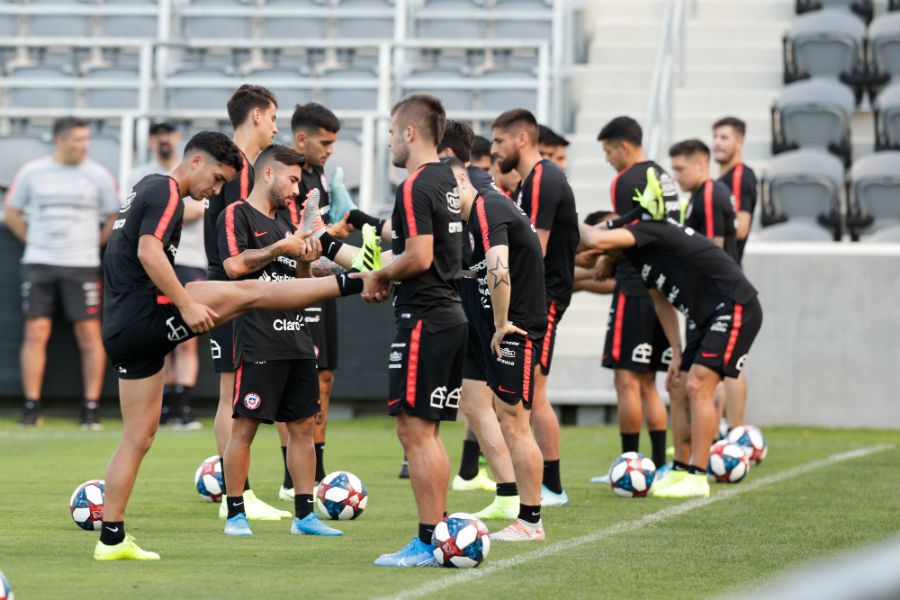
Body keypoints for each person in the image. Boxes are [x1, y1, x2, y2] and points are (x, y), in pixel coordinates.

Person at [94, 131, 367, 560]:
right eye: (217, 180)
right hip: (142, 318)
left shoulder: (145, 190)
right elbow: (149, 252)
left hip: (122, 329)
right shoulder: (165, 189)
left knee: (138, 437)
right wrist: (184, 303)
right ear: (197, 162)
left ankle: (111, 539)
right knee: (246, 293)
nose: (214, 192)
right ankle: (359, 280)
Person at [578, 178, 763, 499]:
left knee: (698, 386)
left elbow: (594, 235)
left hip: (735, 305)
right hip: (708, 316)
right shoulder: (639, 258)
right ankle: (679, 470)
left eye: (598, 251)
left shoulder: (647, 230)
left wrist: (566, 214)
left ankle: (697, 475)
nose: (596, 256)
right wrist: (677, 352)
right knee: (679, 384)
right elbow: (662, 302)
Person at [354, 94, 468, 567]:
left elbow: (419, 257)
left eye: (389, 133)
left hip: (426, 317)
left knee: (415, 432)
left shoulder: (417, 184)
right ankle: (439, 534)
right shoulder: (448, 179)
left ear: (409, 133)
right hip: (449, 314)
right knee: (428, 433)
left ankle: (427, 541)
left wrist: (381, 275)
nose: (387, 144)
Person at [218, 144, 342, 538]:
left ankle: (304, 516)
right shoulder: (236, 214)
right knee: (246, 428)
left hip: (298, 341)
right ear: (268, 174)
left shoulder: (287, 225)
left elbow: (300, 287)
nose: (295, 189)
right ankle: (236, 513)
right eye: (291, 179)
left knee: (303, 428)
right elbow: (234, 267)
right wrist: (278, 249)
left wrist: (304, 257)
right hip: (257, 342)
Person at [444, 157, 548, 542]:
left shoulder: (487, 206)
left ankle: (531, 522)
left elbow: (498, 265)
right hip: (492, 329)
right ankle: (514, 504)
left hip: (513, 328)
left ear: (460, 180)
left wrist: (503, 322)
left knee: (514, 421)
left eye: (444, 190)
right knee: (491, 412)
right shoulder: (468, 217)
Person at [204, 85, 290, 521]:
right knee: (230, 394)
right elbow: (237, 242)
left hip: (243, 292)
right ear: (256, 115)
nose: (277, 125)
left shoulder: (245, 166)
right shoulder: (238, 167)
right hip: (230, 292)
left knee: (235, 392)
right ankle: (239, 496)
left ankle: (238, 492)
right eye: (273, 116)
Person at [4, 117, 119, 429]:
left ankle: (91, 407)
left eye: (85, 140)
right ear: (59, 140)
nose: (82, 146)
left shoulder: (97, 175)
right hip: (39, 262)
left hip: (81, 265)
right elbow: (12, 212)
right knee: (35, 333)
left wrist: (94, 243)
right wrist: (34, 240)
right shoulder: (32, 172)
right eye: (76, 140)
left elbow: (114, 214)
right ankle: (31, 407)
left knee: (88, 334)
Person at [491, 109, 578, 506]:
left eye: (498, 142)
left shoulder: (543, 178)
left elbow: (536, 250)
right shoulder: (530, 182)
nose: (495, 151)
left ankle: (553, 486)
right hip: (541, 296)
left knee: (535, 393)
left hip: (546, 298)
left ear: (521, 139)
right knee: (529, 394)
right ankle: (546, 484)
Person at [591, 116, 674, 482]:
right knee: (648, 382)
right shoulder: (661, 175)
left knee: (626, 381)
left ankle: (629, 465)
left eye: (609, 151)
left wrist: (606, 257)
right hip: (659, 288)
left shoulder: (627, 180)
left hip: (633, 287)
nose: (608, 159)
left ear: (624, 145)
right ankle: (659, 462)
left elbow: (629, 234)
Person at [279, 102, 345, 499]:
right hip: (294, 284)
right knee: (297, 375)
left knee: (324, 375)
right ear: (301, 139)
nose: (331, 149)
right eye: (325, 141)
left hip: (321, 280)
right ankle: (293, 479)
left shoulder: (318, 174)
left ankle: (316, 470)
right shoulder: (284, 175)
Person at [438, 120, 500, 495]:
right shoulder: (487, 184)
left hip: (465, 290)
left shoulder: (454, 184)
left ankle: (519, 494)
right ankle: (474, 473)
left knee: (485, 401)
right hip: (482, 290)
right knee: (477, 398)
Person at [130, 121, 204, 430]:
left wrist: (162, 214)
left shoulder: (192, 173)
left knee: (187, 337)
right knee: (161, 336)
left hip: (190, 259)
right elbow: (135, 218)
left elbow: (200, 208)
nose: (163, 139)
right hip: (159, 261)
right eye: (157, 134)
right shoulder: (141, 175)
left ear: (177, 138)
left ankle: (182, 405)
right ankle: (163, 407)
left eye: (169, 134)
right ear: (150, 140)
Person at [713, 116, 757, 430]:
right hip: (713, 280)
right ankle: (713, 432)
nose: (718, 142)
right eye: (715, 137)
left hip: (727, 278)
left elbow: (741, 228)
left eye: (725, 137)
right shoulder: (719, 181)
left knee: (730, 362)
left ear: (740, 141)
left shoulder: (741, 177)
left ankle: (737, 435)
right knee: (712, 361)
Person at [669, 139, 739, 262]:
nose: (676, 177)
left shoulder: (709, 194)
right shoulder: (702, 192)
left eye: (680, 169)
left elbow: (713, 254)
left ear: (700, 165)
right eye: (674, 170)